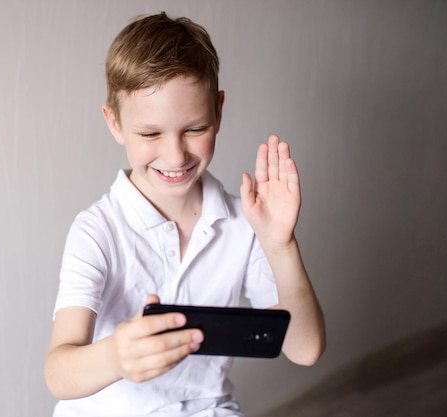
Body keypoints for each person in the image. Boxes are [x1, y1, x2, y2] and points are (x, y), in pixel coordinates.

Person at [44, 11, 326, 417]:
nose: (175, 155)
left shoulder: (244, 223)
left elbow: (305, 348)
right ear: (115, 122)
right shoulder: (96, 231)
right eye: (150, 133)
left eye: (194, 129)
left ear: (219, 111)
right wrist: (115, 357)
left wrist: (280, 245)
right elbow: (58, 373)